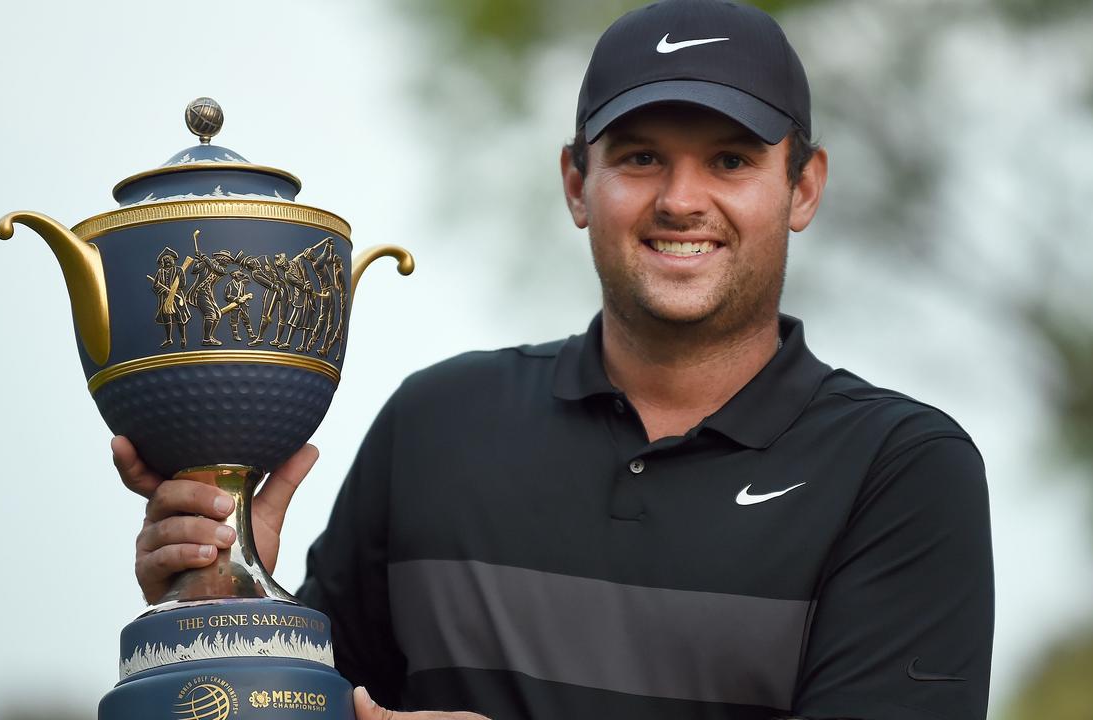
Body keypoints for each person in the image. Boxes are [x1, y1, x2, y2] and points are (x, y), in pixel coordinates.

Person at [115, 1, 994, 718]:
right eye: (641, 157)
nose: (683, 200)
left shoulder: (902, 473)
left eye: (730, 160)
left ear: (802, 187)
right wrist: (234, 615)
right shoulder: (436, 425)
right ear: (578, 183)